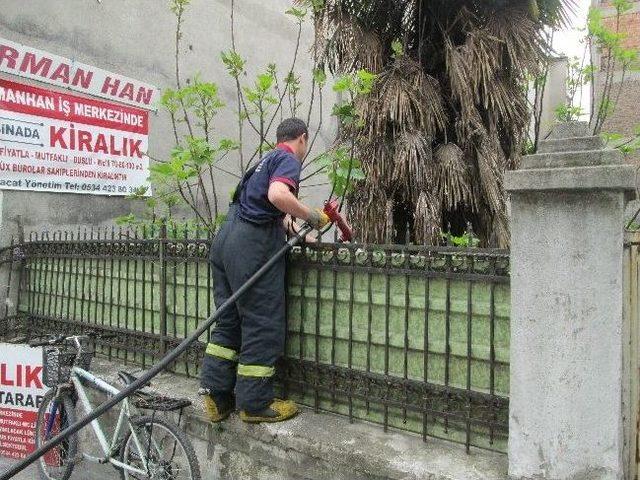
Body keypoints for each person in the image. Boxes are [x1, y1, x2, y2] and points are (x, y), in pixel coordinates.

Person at [199, 118, 329, 423]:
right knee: (261, 321)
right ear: (302, 139)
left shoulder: (263, 161)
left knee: (228, 319)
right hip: (251, 248)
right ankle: (255, 404)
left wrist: (298, 230)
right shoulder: (287, 157)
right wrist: (314, 215)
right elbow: (278, 197)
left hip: (226, 241)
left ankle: (218, 398)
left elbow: (268, 208)